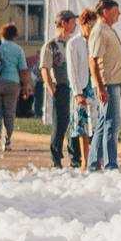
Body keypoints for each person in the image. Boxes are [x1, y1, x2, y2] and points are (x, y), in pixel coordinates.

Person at [86, 0, 121, 171]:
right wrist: (101, 87)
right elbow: (93, 61)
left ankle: (94, 163)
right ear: (105, 12)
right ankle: (110, 164)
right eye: (116, 11)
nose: (119, 14)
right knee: (112, 123)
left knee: (104, 123)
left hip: (114, 82)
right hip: (108, 83)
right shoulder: (99, 31)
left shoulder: (107, 29)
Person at [42, 10, 77, 168]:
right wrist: (52, 89)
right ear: (64, 23)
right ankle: (55, 157)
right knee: (60, 123)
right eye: (72, 22)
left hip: (75, 87)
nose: (75, 25)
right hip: (61, 87)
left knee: (75, 123)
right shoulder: (52, 45)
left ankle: (76, 156)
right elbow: (45, 68)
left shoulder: (73, 43)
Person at [0, 23, 27, 152]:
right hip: (12, 83)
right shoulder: (18, 49)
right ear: (14, 36)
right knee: (9, 113)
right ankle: (7, 141)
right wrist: (25, 86)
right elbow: (23, 71)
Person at [69, 8, 97, 169]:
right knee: (83, 128)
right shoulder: (74, 43)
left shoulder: (95, 41)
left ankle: (97, 158)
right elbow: (72, 70)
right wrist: (77, 92)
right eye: (89, 26)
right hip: (81, 87)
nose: (91, 29)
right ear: (83, 25)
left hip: (94, 87)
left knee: (96, 125)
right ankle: (85, 160)